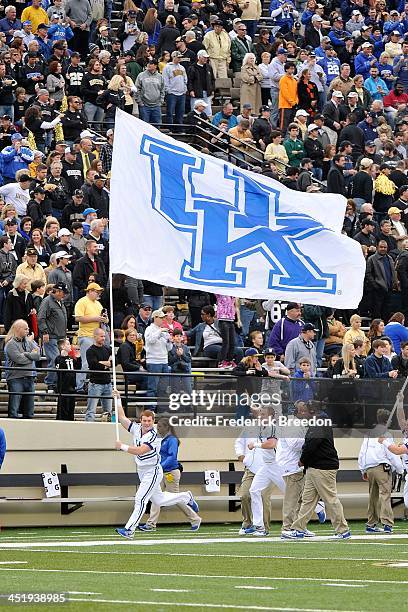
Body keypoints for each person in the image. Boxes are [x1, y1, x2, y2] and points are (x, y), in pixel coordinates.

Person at [114, 391, 200, 539]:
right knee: (159, 500)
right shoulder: (136, 428)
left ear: (153, 421)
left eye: (149, 421)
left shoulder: (154, 435)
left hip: (152, 471)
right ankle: (186, 496)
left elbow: (141, 451)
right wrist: (118, 400)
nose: (146, 423)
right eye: (144, 420)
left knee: (140, 499)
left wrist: (122, 446)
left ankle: (129, 529)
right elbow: (122, 418)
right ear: (140, 420)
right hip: (142, 470)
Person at [283, 401, 351, 540]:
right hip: (314, 467)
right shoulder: (318, 421)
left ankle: (343, 530)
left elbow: (312, 444)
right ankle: (298, 529)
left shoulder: (319, 422)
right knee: (307, 500)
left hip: (323, 467)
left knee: (330, 499)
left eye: (304, 411)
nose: (302, 414)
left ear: (312, 411)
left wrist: (302, 459)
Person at [142, 418, 201, 531]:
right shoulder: (161, 439)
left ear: (166, 428)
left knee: (176, 498)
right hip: (161, 472)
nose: (157, 428)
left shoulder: (172, 440)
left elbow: (172, 457)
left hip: (170, 472)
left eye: (159, 426)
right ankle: (151, 524)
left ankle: (195, 518)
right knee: (156, 497)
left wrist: (160, 466)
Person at [358, 407, 403, 534]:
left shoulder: (368, 434)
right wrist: (400, 469)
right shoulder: (387, 434)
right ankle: (387, 524)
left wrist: (363, 470)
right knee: (385, 495)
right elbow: (392, 454)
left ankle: (371, 524)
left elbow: (362, 453)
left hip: (369, 468)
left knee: (373, 497)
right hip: (382, 468)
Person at [244, 406, 285, 537]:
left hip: (277, 466)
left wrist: (255, 445)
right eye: (260, 414)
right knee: (253, 490)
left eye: (263, 414)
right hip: (266, 466)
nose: (260, 416)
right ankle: (259, 526)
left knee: (291, 494)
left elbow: (271, 444)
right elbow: (256, 411)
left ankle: (316, 507)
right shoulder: (263, 427)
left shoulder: (272, 427)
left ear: (271, 416)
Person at [74, 282, 108, 393]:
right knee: (85, 362)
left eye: (99, 292)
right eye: (97, 291)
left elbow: (104, 319)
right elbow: (78, 318)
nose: (99, 294)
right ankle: (79, 386)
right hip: (86, 335)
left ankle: (95, 384)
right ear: (89, 291)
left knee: (98, 362)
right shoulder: (82, 301)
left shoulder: (98, 304)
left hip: (96, 336)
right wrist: (96, 318)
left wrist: (104, 318)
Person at [4, 318, 41, 418]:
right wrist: (30, 356)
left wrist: (25, 354)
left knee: (29, 409)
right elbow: (19, 360)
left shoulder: (29, 342)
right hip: (16, 378)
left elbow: (38, 355)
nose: (28, 330)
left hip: (30, 377)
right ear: (18, 329)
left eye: (28, 329)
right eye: (25, 329)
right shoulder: (10, 344)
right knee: (14, 408)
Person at [37, 281, 68, 393]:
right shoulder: (47, 301)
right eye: (63, 292)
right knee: (55, 360)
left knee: (59, 361)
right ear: (58, 291)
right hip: (51, 336)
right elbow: (41, 317)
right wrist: (45, 332)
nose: (65, 295)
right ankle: (50, 383)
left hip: (60, 336)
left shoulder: (60, 302)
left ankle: (55, 383)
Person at [144, 308, 172, 408]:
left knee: (164, 388)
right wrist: (160, 331)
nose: (162, 320)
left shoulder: (164, 330)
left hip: (164, 361)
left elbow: (169, 348)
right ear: (155, 318)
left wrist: (169, 340)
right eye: (161, 318)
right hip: (153, 361)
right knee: (153, 388)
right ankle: (151, 409)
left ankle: (162, 409)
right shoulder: (149, 329)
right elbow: (150, 340)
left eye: (163, 318)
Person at [85, 327, 112, 421]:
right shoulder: (90, 350)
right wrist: (107, 364)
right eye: (101, 336)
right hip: (95, 384)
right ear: (95, 336)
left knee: (108, 411)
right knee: (91, 410)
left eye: (104, 336)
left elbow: (114, 362)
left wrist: (102, 363)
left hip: (107, 383)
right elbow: (93, 365)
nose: (103, 338)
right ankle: (89, 428)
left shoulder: (107, 349)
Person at [55, 336, 82, 420]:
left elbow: (78, 367)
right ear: (63, 347)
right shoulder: (59, 359)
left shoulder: (71, 358)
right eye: (68, 344)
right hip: (63, 387)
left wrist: (78, 357)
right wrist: (63, 356)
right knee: (63, 406)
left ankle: (71, 419)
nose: (70, 346)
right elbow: (59, 371)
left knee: (71, 406)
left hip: (72, 386)